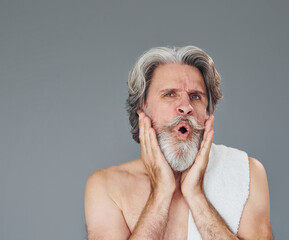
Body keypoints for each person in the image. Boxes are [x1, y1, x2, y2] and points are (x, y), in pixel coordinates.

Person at [84, 46, 273, 239]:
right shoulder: (107, 186)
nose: (185, 107)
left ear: (208, 113)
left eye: (195, 96)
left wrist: (196, 196)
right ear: (142, 109)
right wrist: (161, 194)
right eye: (170, 94)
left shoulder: (246, 173)